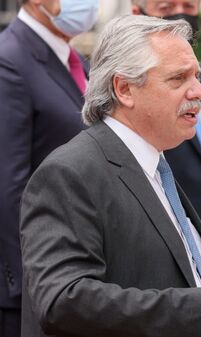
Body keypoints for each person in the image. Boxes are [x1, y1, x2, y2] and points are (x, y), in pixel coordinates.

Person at [19, 15, 201, 337]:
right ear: (124, 89)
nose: (200, 92)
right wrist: (199, 311)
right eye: (178, 79)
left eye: (197, 76)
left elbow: (179, 289)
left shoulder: (155, 167)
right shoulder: (70, 173)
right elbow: (62, 301)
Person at [0, 0, 98, 335]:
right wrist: (30, 283)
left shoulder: (74, 61)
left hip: (80, 270)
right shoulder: (9, 59)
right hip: (36, 287)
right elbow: (8, 185)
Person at [133, 0, 201, 277]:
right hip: (168, 270)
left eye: (189, 6)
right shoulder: (137, 93)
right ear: (138, 13)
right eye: (167, 7)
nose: (181, 16)